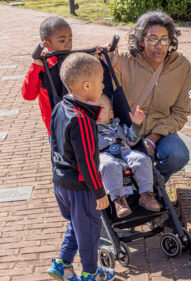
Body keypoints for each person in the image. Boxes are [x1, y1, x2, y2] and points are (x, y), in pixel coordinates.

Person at [47, 53, 115, 281]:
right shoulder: (82, 119)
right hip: (80, 186)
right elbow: (86, 161)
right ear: (86, 85)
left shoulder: (59, 108)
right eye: (101, 81)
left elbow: (53, 143)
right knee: (89, 231)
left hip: (61, 182)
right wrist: (99, 192)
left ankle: (63, 264)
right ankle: (90, 273)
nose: (103, 85)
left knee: (78, 223)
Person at [108, 11, 191, 182]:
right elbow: (108, 97)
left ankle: (155, 185)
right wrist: (109, 64)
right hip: (127, 130)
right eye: (152, 39)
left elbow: (180, 113)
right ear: (141, 41)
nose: (160, 45)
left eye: (164, 39)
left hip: (160, 131)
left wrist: (153, 139)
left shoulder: (182, 67)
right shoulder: (124, 61)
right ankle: (131, 189)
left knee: (178, 155)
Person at [94, 94, 160, 218]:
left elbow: (131, 140)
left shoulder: (119, 127)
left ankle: (146, 195)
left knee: (142, 159)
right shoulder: (88, 130)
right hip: (103, 154)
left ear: (111, 114)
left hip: (124, 151)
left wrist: (135, 124)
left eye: (101, 109)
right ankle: (118, 200)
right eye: (93, 110)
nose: (97, 112)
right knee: (108, 165)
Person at [21, 16, 72, 137]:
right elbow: (28, 95)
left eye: (70, 39)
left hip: (79, 123)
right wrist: (37, 65)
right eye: (62, 40)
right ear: (46, 44)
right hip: (55, 128)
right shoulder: (42, 67)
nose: (68, 44)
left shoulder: (74, 60)